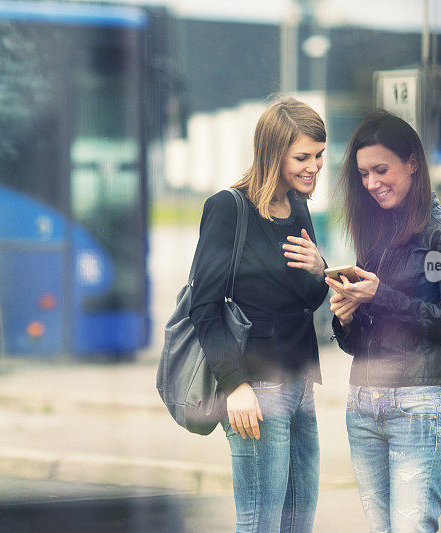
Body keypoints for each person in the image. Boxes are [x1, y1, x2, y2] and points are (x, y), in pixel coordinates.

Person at [326, 110, 441, 532]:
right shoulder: (373, 234)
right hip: (363, 405)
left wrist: (383, 296)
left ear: (412, 162)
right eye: (363, 174)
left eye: (381, 170)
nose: (372, 183)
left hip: (421, 405)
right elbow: (358, 343)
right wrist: (345, 317)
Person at [189, 97, 328, 532]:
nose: (314, 167)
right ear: (273, 153)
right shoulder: (228, 209)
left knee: (297, 522)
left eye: (320, 156)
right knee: (261, 523)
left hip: (300, 383)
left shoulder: (299, 207)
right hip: (255, 389)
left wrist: (320, 270)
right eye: (302, 157)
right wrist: (235, 385)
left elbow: (305, 300)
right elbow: (204, 306)